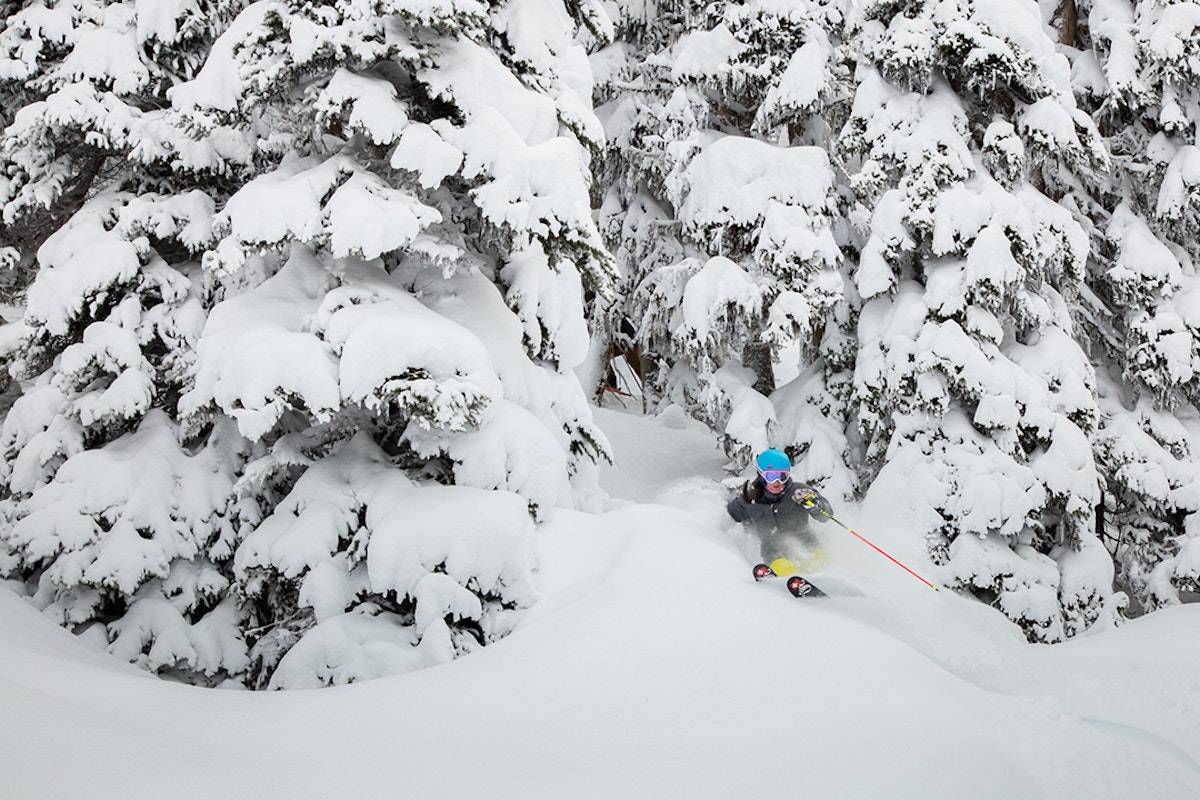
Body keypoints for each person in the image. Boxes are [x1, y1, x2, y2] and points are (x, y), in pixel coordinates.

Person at [726, 448, 833, 574]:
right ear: (761, 476)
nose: (777, 482)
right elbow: (726, 517)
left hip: (808, 544)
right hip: (774, 553)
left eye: (782, 476)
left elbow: (826, 516)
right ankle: (789, 585)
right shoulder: (750, 499)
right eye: (771, 476)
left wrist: (814, 504)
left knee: (818, 564)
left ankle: (827, 583)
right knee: (784, 569)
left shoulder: (799, 492)